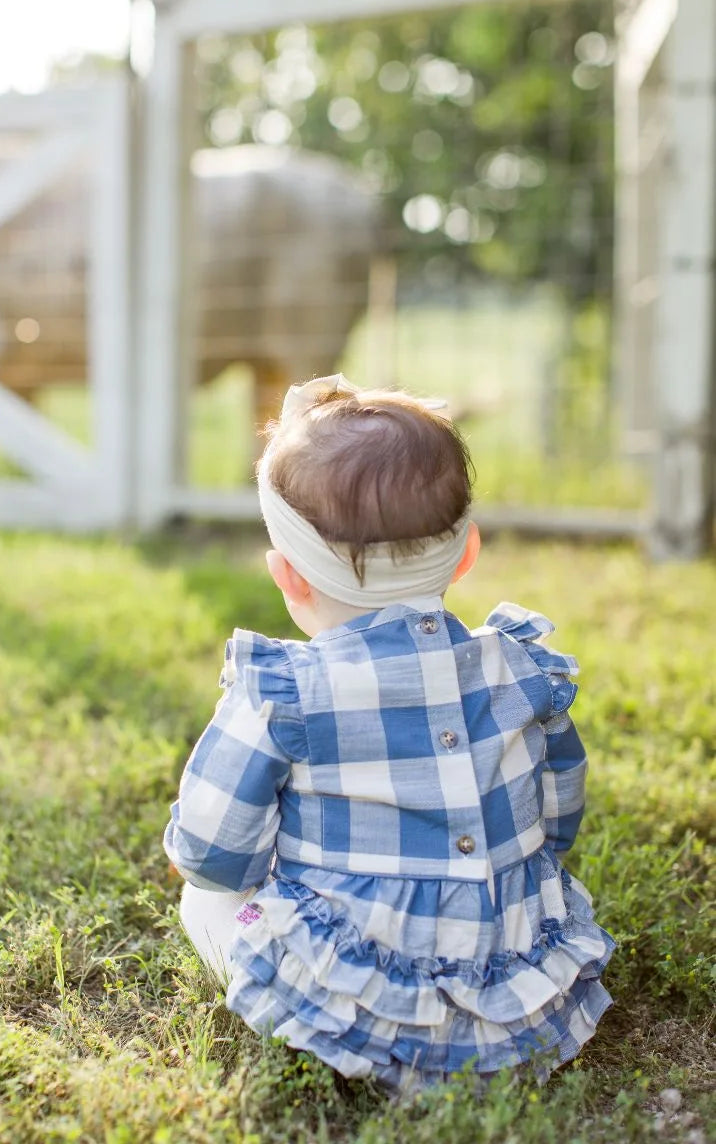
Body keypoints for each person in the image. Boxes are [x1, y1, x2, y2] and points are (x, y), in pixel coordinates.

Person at [163, 374, 614, 1093]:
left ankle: (328, 1022)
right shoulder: (522, 668)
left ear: (287, 575)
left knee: (204, 902)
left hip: (358, 986)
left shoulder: (287, 693)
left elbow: (213, 855)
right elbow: (558, 813)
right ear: (466, 556)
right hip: (511, 970)